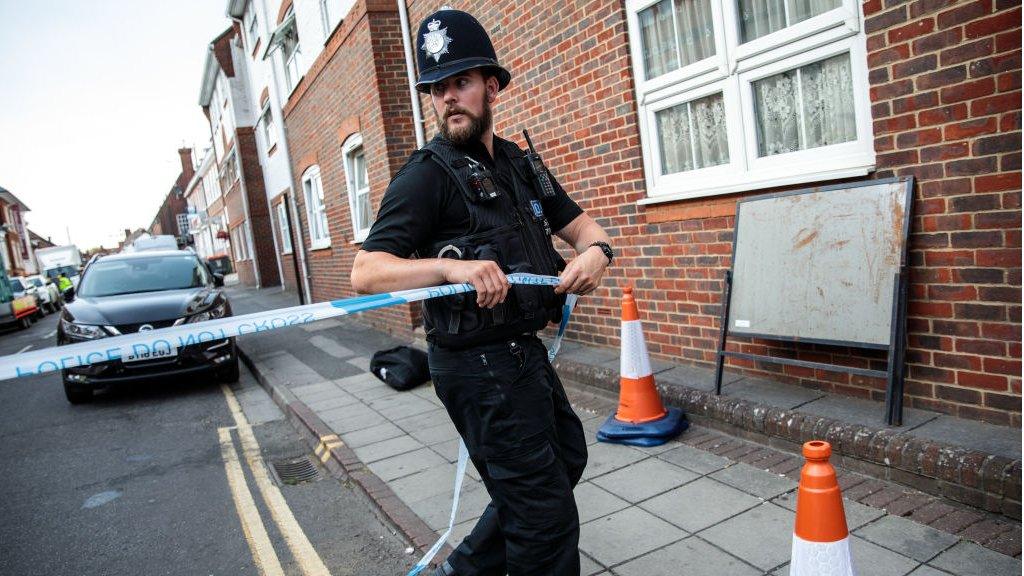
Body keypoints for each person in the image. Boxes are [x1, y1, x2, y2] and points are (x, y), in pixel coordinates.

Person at [351, 9, 614, 575]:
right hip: (475, 366)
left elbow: (585, 229)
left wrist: (596, 254)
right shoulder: (427, 174)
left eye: (461, 83)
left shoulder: (520, 165)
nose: (449, 98)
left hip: (522, 353)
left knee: (565, 459)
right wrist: (451, 271)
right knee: (544, 520)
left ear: (491, 86)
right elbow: (367, 272)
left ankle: (465, 569)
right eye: (438, 88)